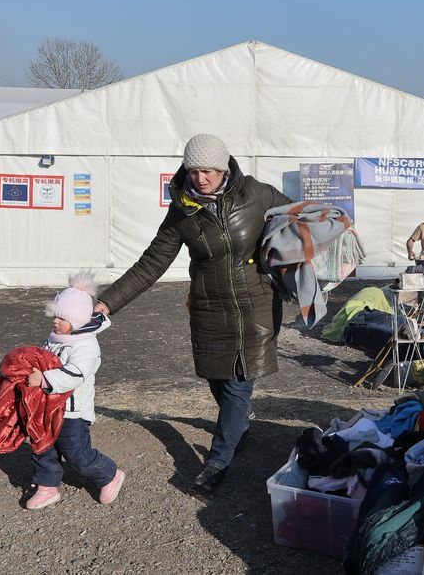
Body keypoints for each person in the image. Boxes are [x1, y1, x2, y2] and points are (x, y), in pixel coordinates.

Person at [95, 133, 291, 494]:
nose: (201, 178)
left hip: (256, 305)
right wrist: (107, 303)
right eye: (194, 170)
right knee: (218, 380)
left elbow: (296, 217)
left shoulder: (255, 194)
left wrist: (333, 231)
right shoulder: (182, 210)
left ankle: (218, 459)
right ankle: (239, 428)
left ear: (223, 168)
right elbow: (151, 263)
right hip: (209, 307)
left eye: (209, 171)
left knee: (237, 384)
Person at [24, 273, 125, 509]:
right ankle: (47, 486)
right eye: (56, 315)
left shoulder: (86, 346)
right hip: (48, 406)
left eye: (63, 317)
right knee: (42, 445)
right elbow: (43, 360)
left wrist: (44, 379)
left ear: (78, 320)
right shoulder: (56, 339)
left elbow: (75, 374)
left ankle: (108, 474)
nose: (56, 321)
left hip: (72, 412)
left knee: (76, 454)